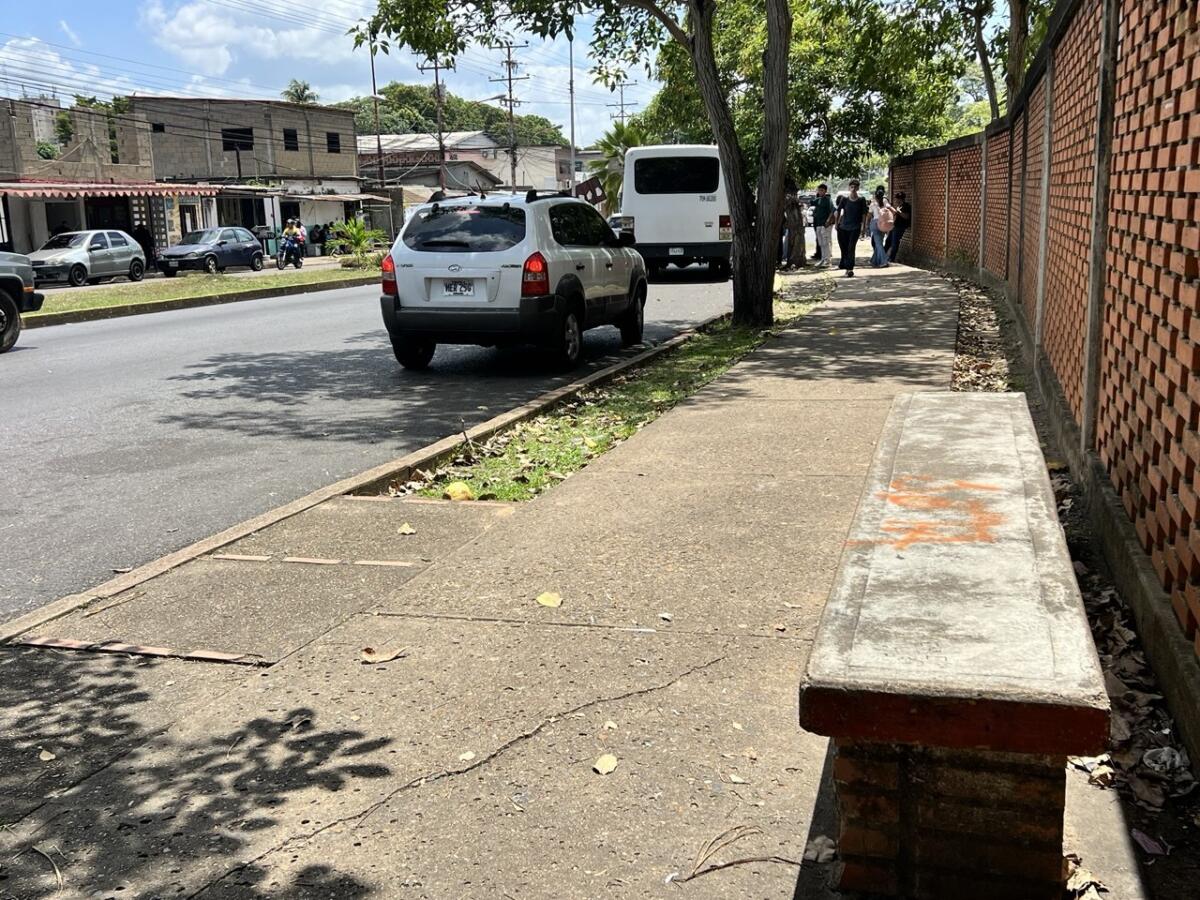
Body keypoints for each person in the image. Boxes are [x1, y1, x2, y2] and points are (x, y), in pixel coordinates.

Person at [835, 179, 868, 277]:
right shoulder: (844, 199)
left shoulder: (861, 200)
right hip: (843, 227)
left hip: (855, 227)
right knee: (844, 248)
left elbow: (864, 214)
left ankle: (849, 268)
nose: (853, 189)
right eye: (852, 187)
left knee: (851, 247)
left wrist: (863, 227)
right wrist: (836, 223)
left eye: (855, 187)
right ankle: (844, 264)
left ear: (858, 188)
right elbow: (838, 211)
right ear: (849, 188)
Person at [868, 186, 895, 268]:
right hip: (884, 223)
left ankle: (884, 261)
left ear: (875, 196)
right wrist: (891, 219)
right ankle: (874, 260)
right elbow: (894, 211)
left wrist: (866, 225)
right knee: (879, 242)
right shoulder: (885, 201)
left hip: (875, 223)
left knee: (878, 243)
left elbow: (869, 215)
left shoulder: (873, 204)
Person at [811, 183, 834, 267]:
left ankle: (827, 260)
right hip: (818, 223)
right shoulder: (818, 199)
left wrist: (828, 220)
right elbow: (811, 202)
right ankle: (823, 259)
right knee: (820, 243)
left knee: (826, 242)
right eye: (819, 190)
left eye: (822, 190)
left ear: (825, 191)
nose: (820, 192)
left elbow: (832, 210)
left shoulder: (828, 200)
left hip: (825, 224)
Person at [886, 191, 912, 262]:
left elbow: (907, 216)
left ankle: (891, 258)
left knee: (895, 243)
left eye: (897, 198)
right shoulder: (899, 206)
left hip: (900, 227)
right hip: (895, 226)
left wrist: (899, 212)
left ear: (900, 199)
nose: (896, 200)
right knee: (888, 241)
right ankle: (882, 256)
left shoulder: (906, 206)